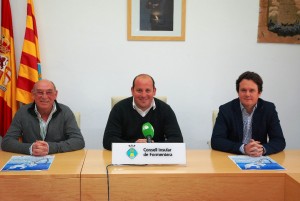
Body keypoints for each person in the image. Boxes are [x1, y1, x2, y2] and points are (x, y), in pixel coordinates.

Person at [1, 79, 85, 156]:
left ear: (55, 94)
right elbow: (7, 142)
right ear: (33, 95)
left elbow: (78, 141)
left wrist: (50, 148)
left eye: (49, 92)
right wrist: (31, 148)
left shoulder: (65, 112)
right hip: (31, 163)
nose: (44, 96)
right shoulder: (22, 112)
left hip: (59, 161)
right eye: (40, 92)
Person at [211, 71, 285, 157]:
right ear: (238, 92)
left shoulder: (268, 109)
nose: (247, 94)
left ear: (259, 93)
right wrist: (244, 148)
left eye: (252, 90)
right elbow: (216, 141)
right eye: (243, 90)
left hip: (258, 159)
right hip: (233, 156)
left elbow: (279, 141)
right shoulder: (226, 109)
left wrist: (262, 149)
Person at [103, 74, 183, 150]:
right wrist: (134, 145)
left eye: (148, 90)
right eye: (139, 90)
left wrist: (153, 147)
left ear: (154, 91)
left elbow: (177, 140)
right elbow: (108, 140)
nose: (143, 95)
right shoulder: (119, 109)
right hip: (128, 156)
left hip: (155, 158)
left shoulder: (165, 109)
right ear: (132, 90)